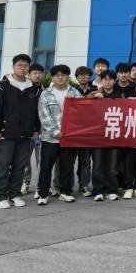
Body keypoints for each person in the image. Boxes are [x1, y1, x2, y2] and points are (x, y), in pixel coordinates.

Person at [0, 54, 41, 209]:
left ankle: (15, 194)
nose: (22, 68)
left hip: (25, 135)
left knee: (20, 167)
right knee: (3, 166)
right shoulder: (3, 86)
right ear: (13, 67)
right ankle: (0, 197)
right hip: (7, 133)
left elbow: (37, 111)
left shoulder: (33, 88)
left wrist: (35, 130)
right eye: (19, 65)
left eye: (25, 66)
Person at [36, 65, 82, 205]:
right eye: (57, 75)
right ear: (52, 77)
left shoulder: (75, 92)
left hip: (68, 137)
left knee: (66, 166)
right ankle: (43, 194)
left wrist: (75, 102)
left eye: (63, 75)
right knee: (46, 167)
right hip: (50, 138)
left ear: (68, 77)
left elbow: (84, 110)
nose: (60, 77)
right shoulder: (46, 94)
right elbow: (44, 115)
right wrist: (55, 131)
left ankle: (65, 192)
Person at [90, 70, 121, 201]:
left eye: (110, 79)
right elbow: (84, 102)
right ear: (101, 81)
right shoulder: (94, 93)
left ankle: (111, 190)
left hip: (114, 135)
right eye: (105, 79)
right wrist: (94, 96)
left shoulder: (120, 96)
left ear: (114, 81)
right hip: (98, 136)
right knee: (97, 165)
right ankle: (98, 190)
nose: (107, 82)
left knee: (112, 166)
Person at [22, 63, 45, 196]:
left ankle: (39, 186)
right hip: (27, 130)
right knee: (25, 158)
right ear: (29, 75)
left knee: (40, 159)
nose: (37, 75)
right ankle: (25, 183)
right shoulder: (25, 90)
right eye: (34, 73)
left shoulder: (46, 91)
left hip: (43, 130)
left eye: (40, 73)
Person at [73, 65, 95, 196]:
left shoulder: (96, 91)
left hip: (89, 132)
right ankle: (67, 185)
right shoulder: (71, 90)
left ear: (90, 77)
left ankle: (84, 185)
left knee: (86, 161)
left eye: (86, 75)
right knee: (70, 160)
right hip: (73, 130)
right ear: (76, 77)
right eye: (80, 75)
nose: (83, 77)